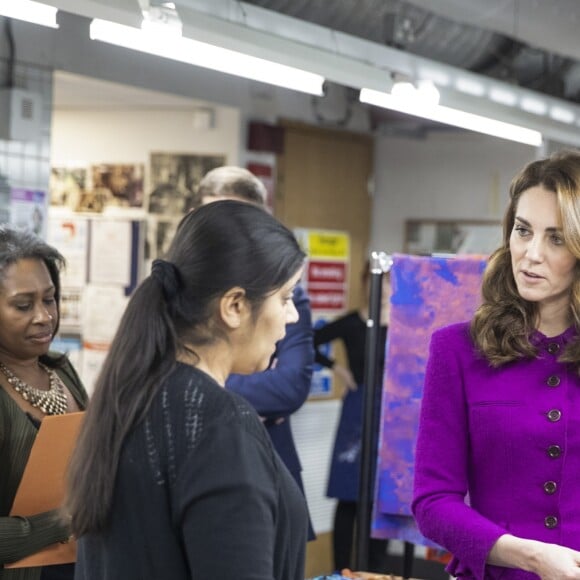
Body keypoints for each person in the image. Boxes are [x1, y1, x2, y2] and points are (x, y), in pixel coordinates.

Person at [66, 200, 309, 579]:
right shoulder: (220, 423)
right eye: (286, 298)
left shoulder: (131, 393)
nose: (292, 316)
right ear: (235, 306)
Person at [412, 149, 580, 580]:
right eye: (523, 231)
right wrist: (534, 557)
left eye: (556, 238)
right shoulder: (457, 350)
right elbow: (433, 503)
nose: (531, 253)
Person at [196, 166, 316, 540]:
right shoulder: (175, 293)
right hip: (198, 474)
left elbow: (289, 386)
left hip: (270, 468)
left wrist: (203, 383)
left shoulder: (288, 294)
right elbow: (159, 378)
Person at [0, 225, 88, 580]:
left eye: (49, 299)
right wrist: (60, 522)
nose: (44, 316)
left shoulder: (62, 372)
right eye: (24, 305)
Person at [313, 265, 390, 572]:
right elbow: (310, 340)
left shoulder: (403, 325)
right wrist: (337, 368)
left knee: (380, 495)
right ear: (366, 286)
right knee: (348, 494)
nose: (381, 290)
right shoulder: (351, 322)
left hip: (391, 412)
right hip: (357, 408)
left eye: (386, 284)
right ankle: (340, 572)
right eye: (376, 284)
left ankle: (377, 571)